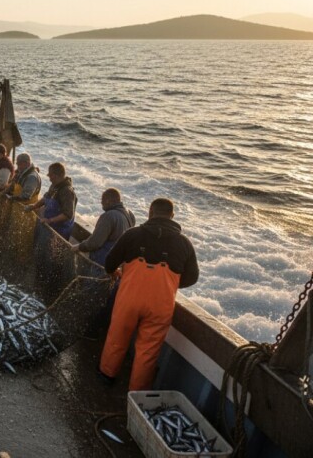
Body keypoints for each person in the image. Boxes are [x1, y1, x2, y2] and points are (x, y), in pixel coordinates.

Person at [99, 198, 198, 391]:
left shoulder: (132, 234)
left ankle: (107, 375)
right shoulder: (184, 243)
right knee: (149, 350)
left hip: (129, 299)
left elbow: (110, 262)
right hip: (161, 305)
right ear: (172, 216)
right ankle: (136, 392)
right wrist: (169, 285)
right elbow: (192, 277)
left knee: (117, 337)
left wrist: (115, 272)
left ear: (150, 212)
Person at [72, 188, 136, 266]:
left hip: (103, 263)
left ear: (107, 201)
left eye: (102, 200)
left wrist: (79, 247)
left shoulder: (108, 216)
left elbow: (95, 243)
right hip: (118, 263)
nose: (101, 203)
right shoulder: (129, 215)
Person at [24, 162, 77, 240]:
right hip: (49, 226)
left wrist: (50, 220)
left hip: (59, 232)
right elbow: (46, 198)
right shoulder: (54, 185)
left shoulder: (67, 191)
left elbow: (68, 214)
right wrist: (34, 206)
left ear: (55, 175)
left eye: (50, 175)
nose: (49, 178)